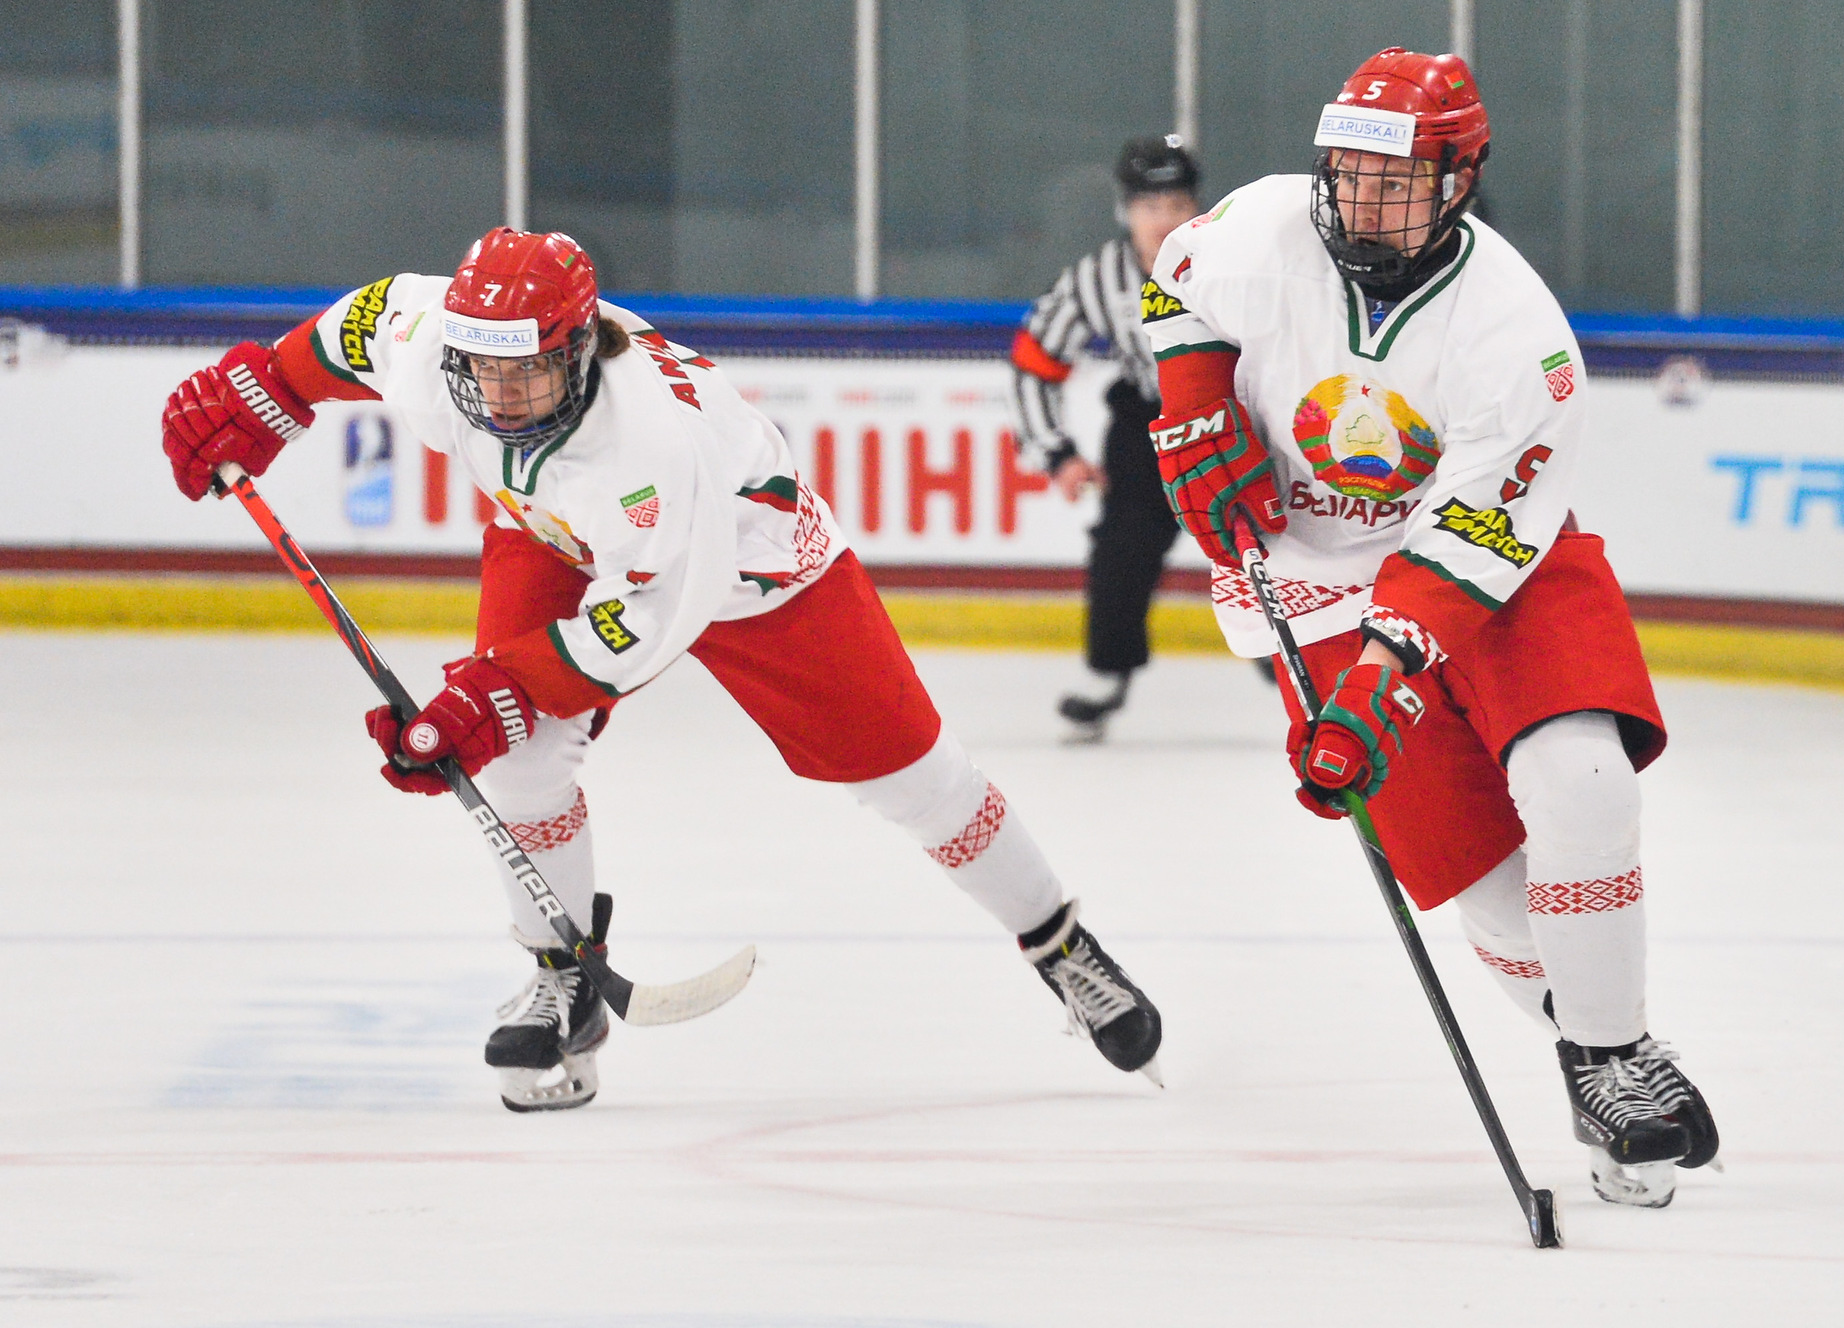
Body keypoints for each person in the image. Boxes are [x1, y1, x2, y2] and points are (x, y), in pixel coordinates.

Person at [159, 227, 1163, 1111]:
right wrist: (268, 390)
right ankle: (561, 975)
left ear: (582, 349)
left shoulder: (645, 454)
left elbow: (637, 628)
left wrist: (486, 694)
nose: (501, 397)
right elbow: (357, 324)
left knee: (913, 777)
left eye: (529, 373)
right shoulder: (442, 342)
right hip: (553, 533)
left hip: (756, 574)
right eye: (484, 371)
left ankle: (1058, 941)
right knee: (517, 763)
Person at [1141, 48, 1717, 1207]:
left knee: (1580, 780)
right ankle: (1594, 1039)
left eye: (1392, 180)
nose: (1360, 200)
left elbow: (1462, 544)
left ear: (1457, 181)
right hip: (1311, 590)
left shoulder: (1516, 337)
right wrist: (1195, 406)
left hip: (1493, 566)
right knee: (1478, 880)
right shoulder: (1257, 231)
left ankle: (1612, 1056)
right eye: (1346, 173)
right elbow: (1175, 282)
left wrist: (1381, 681)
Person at [1009, 135, 1203, 739]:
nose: (1164, 221)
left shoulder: (1235, 263)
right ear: (1126, 210)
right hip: (1147, 428)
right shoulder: (1099, 277)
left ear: (1197, 208)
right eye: (1150, 207)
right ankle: (1107, 671)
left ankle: (1302, 672)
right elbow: (1034, 363)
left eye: (1176, 205)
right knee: (1120, 553)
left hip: (1239, 422)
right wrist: (1057, 453)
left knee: (1273, 550)